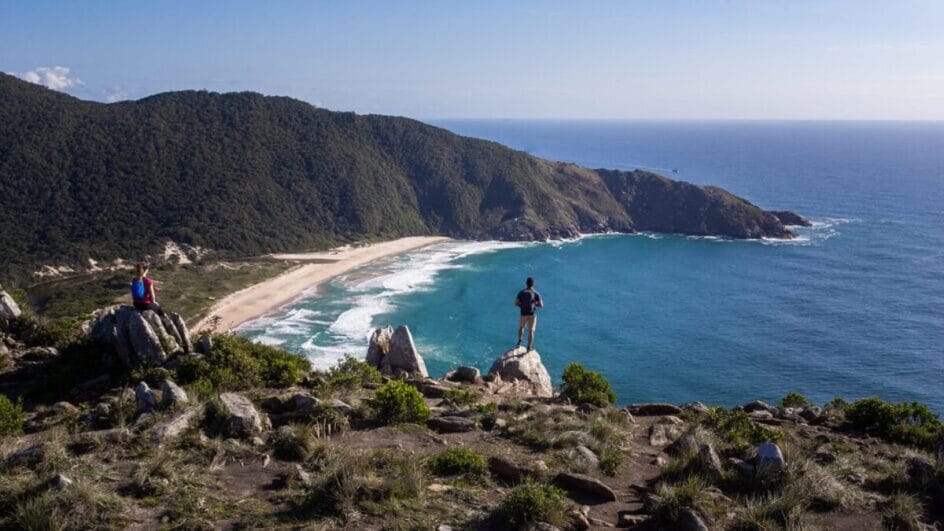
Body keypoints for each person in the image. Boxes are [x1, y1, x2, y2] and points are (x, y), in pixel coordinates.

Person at [515, 276, 543, 351]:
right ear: (533, 284)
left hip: (523, 313)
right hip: (532, 314)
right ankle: (529, 347)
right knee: (531, 330)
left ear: (526, 283)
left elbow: (516, 303)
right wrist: (534, 304)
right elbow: (541, 305)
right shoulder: (536, 293)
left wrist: (521, 306)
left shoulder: (521, 292)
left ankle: (519, 342)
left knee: (521, 327)